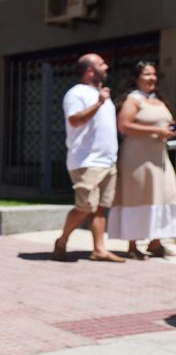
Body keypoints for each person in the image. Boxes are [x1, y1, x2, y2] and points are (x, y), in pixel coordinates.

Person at [53, 53, 125, 262]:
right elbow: (75, 120)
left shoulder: (102, 95)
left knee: (101, 207)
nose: (107, 66)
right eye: (102, 63)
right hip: (86, 161)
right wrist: (99, 103)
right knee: (85, 207)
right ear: (90, 70)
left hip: (108, 161)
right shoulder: (76, 93)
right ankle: (62, 241)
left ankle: (99, 249)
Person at [107, 61, 176, 258]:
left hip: (159, 157)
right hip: (138, 159)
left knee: (166, 195)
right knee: (137, 197)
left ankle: (156, 242)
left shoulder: (158, 100)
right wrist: (156, 130)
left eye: (154, 74)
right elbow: (124, 126)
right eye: (146, 74)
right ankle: (132, 245)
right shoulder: (133, 100)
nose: (151, 78)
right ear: (136, 78)